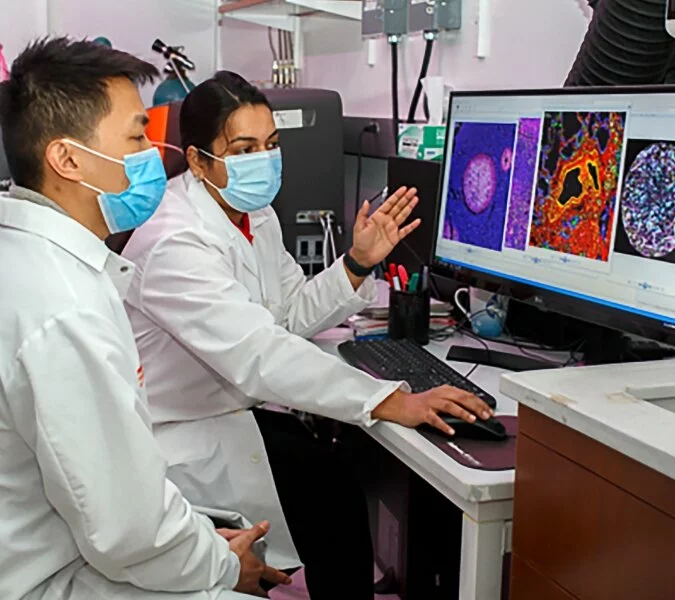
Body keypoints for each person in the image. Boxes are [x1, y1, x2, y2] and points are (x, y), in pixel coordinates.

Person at [122, 71, 493, 600]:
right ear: (200, 161)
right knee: (331, 491)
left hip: (233, 410)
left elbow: (286, 315)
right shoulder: (174, 240)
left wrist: (359, 263)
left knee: (332, 484)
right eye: (244, 148)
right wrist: (389, 400)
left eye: (271, 144)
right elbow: (258, 351)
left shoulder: (253, 212)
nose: (264, 160)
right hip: (185, 433)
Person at [0, 39, 289, 600]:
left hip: (69, 542)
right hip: (52, 577)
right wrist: (226, 568)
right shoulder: (64, 307)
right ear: (67, 159)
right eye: (136, 137)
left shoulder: (40, 261)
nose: (155, 154)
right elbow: (128, 528)